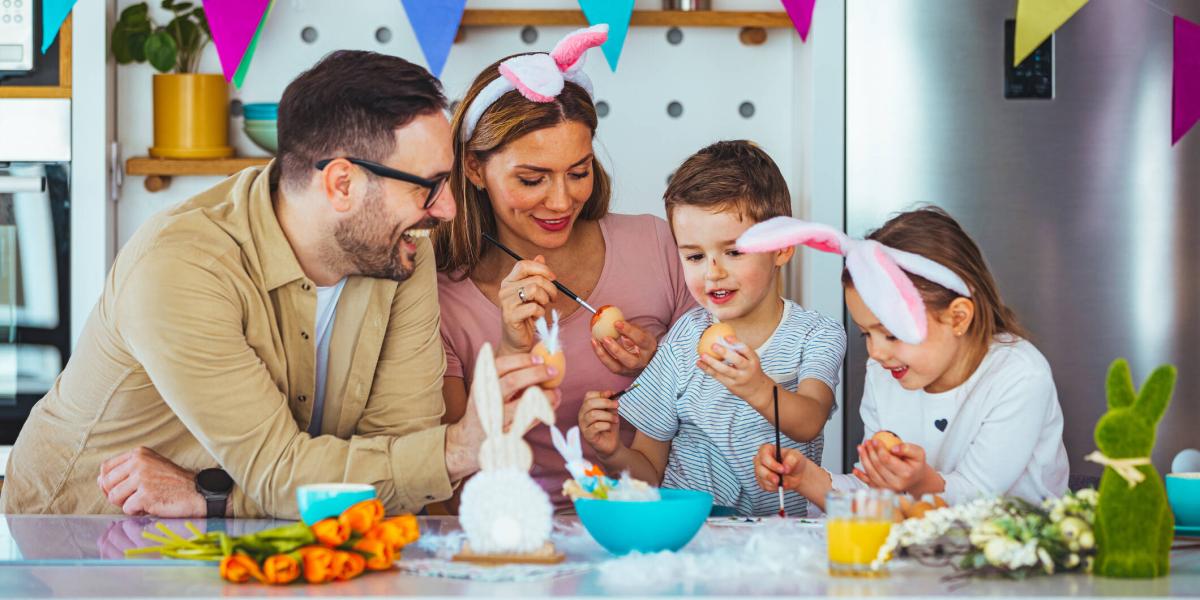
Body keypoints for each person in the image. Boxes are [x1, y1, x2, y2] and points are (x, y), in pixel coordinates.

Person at [0, 51, 554, 518]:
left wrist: (209, 496)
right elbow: (283, 473)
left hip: (236, 541)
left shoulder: (403, 250)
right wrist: (458, 450)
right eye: (430, 186)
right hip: (72, 543)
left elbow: (394, 463)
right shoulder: (181, 267)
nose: (450, 208)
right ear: (342, 183)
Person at [433, 25, 695, 510]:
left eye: (579, 172)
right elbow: (450, 483)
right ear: (473, 169)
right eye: (532, 179)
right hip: (512, 537)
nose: (561, 201)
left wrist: (660, 362)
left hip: (644, 523)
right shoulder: (439, 295)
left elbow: (721, 414)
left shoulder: (656, 243)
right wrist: (513, 347)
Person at [578, 141, 847, 517]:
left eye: (734, 252)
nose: (713, 272)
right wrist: (611, 452)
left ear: (783, 248)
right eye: (694, 256)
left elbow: (809, 420)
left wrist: (755, 386)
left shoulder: (816, 334)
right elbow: (648, 472)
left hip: (775, 543)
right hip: (692, 536)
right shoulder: (681, 341)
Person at [750, 207, 1069, 510]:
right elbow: (874, 494)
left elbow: (979, 500)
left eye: (891, 334)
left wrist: (920, 482)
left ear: (957, 318)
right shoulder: (884, 372)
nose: (875, 352)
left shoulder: (1018, 376)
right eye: (867, 334)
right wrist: (805, 477)